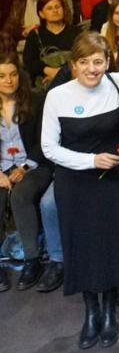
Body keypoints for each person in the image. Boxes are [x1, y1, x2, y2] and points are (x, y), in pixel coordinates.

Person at [41, 32, 119, 349]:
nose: (92, 69)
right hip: (75, 183)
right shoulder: (58, 96)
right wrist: (90, 160)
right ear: (72, 64)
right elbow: (49, 148)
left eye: (98, 61)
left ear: (108, 62)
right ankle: (91, 312)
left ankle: (109, 311)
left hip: (111, 182)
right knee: (81, 247)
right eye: (84, 62)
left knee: (110, 245)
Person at [0, 55, 53, 292]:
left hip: (34, 164)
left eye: (13, 74)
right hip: (2, 167)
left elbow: (45, 141)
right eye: (2, 76)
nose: (8, 80)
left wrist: (25, 167)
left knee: (20, 195)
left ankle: (32, 260)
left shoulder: (36, 100)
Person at [23, 0, 79, 89]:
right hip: (43, 83)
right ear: (41, 14)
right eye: (49, 8)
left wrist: (61, 73)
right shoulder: (35, 35)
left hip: (73, 80)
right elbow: (29, 62)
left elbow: (83, 57)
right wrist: (49, 71)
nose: (55, 11)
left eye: (57, 7)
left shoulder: (76, 32)